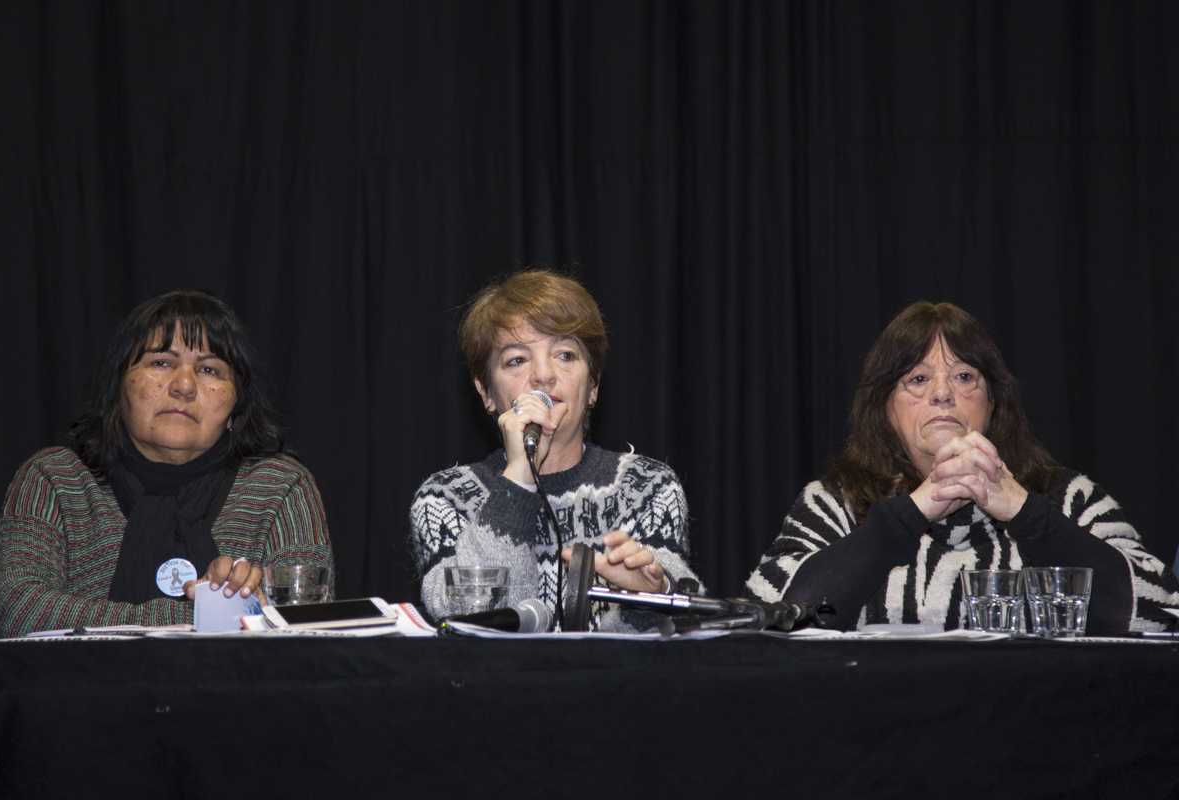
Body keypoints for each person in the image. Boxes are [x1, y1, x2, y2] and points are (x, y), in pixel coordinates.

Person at [743, 301, 1179, 633]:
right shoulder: (834, 502)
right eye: (918, 379)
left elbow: (1162, 610)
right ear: (885, 409)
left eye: (964, 376)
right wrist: (912, 512)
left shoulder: (1069, 497)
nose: (942, 393)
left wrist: (1024, 511)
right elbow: (768, 616)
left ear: (993, 402)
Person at [0, 289, 333, 638]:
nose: (184, 385)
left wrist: (260, 610)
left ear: (235, 407)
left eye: (209, 369)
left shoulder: (281, 486)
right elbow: (15, 611)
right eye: (161, 363)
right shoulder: (54, 478)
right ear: (119, 387)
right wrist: (212, 616)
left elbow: (309, 626)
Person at [410, 269, 700, 631]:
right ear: (486, 392)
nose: (543, 375)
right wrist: (518, 480)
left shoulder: (647, 487)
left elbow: (683, 614)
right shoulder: (444, 498)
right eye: (517, 360)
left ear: (593, 385)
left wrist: (649, 601)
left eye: (564, 354)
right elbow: (478, 625)